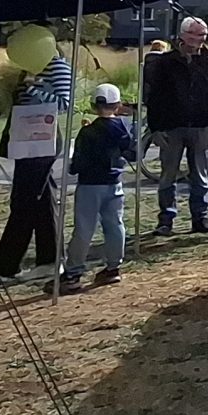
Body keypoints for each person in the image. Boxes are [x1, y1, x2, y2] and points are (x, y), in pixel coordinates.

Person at [0, 49, 74, 281]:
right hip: (24, 137)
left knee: (24, 200)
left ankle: (7, 265)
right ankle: (49, 259)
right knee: (41, 200)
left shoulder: (57, 66)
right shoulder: (28, 66)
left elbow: (65, 103)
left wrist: (32, 88)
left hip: (42, 139)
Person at [145, 17, 208, 236]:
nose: (199, 39)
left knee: (199, 174)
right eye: (194, 34)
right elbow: (154, 96)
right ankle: (166, 220)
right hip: (171, 126)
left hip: (201, 126)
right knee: (168, 174)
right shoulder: (166, 61)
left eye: (203, 35)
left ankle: (200, 217)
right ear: (183, 35)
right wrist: (155, 128)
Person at [57, 84, 136, 292]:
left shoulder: (88, 132)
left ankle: (73, 273)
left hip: (90, 184)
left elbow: (77, 165)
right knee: (115, 224)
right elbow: (131, 152)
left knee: (84, 228)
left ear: (94, 106)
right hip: (114, 182)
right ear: (117, 105)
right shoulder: (123, 128)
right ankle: (113, 267)